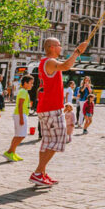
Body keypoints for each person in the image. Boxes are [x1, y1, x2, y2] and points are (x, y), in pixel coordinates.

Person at [29, 37, 88, 187]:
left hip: (47, 107)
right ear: (51, 47)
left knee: (47, 141)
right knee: (57, 140)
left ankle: (41, 173)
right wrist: (77, 52)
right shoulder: (49, 62)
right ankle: (37, 173)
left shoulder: (46, 62)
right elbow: (66, 66)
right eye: (59, 45)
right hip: (51, 108)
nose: (61, 47)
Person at [4, 75, 33, 161]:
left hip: (21, 114)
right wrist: (21, 118)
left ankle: (12, 152)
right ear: (25, 83)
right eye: (31, 83)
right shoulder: (23, 92)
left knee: (18, 135)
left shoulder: (23, 91)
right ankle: (9, 152)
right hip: (21, 114)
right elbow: (20, 105)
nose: (32, 85)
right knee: (22, 135)